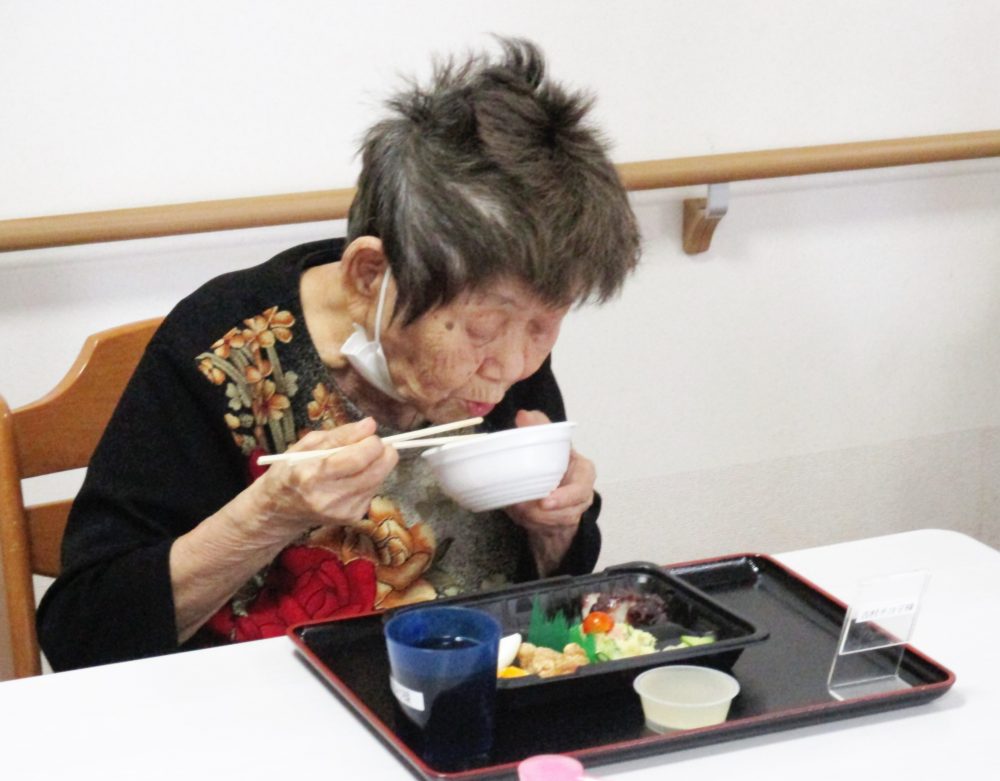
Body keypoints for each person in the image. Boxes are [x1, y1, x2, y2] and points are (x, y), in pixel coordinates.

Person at [37, 37, 640, 671]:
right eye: (484, 328)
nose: (514, 367)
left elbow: (548, 598)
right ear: (369, 276)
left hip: (466, 689)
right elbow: (84, 635)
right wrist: (269, 515)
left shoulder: (502, 351)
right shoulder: (224, 352)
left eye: (545, 326)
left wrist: (556, 526)